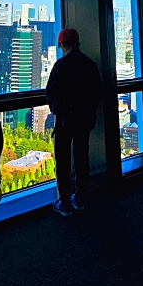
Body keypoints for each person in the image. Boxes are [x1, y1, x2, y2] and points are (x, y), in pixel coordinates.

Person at [45, 28, 102, 216]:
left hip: (65, 120)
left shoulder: (60, 66)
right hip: (85, 119)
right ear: (78, 43)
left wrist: (58, 108)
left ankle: (64, 202)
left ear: (62, 45)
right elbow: (96, 92)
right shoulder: (90, 65)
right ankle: (80, 196)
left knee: (62, 159)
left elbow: (50, 93)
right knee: (81, 156)